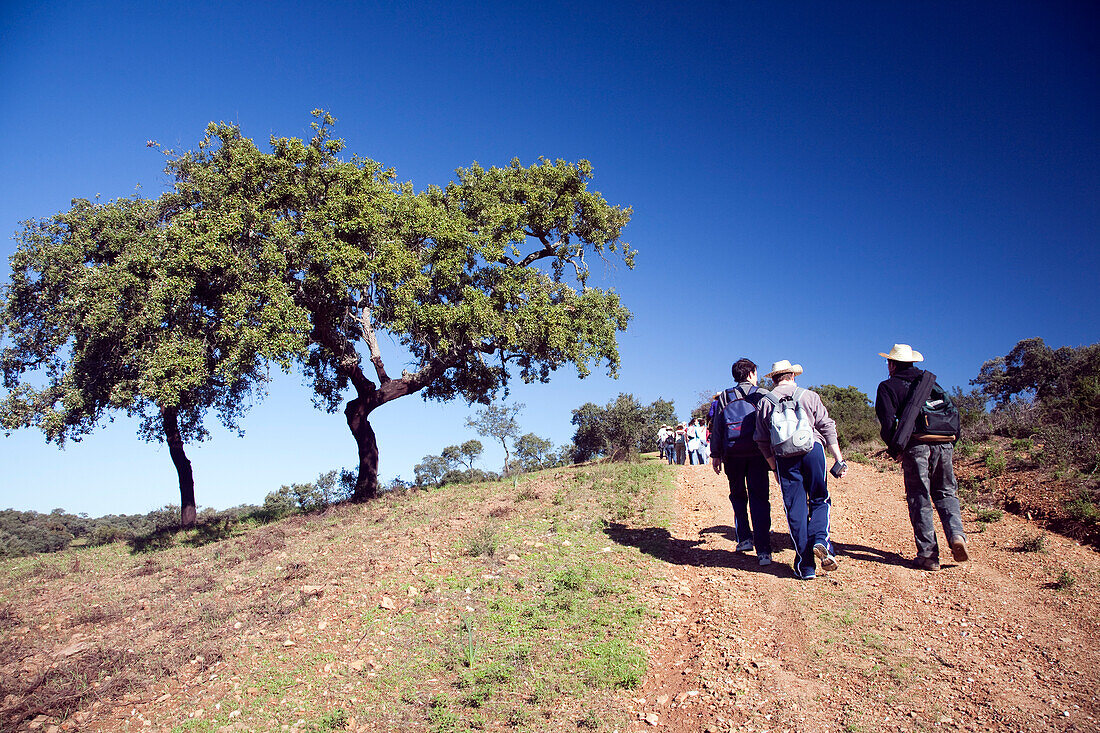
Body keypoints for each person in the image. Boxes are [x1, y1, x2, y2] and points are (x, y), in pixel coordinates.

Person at [874, 344, 968, 571]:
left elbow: (887, 424)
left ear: (892, 363)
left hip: (918, 446)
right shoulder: (930, 382)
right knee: (946, 492)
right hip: (944, 443)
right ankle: (957, 536)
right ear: (913, 362)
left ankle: (928, 556)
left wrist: (896, 449)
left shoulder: (888, 386)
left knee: (919, 497)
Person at [753, 360, 847, 580]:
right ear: (793, 376)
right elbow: (827, 427)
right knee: (819, 499)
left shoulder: (765, 402)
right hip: (813, 450)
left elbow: (761, 440)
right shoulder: (809, 396)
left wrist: (774, 467)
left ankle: (806, 566)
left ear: (773, 378)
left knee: (795, 508)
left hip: (784, 457)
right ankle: (821, 540)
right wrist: (839, 458)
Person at [711, 358, 773, 565]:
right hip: (758, 454)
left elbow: (718, 426)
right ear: (751, 373)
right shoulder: (763, 395)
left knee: (738, 496)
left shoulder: (725, 396)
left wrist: (716, 454)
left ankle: (744, 539)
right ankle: (764, 551)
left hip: (732, 454)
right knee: (760, 499)